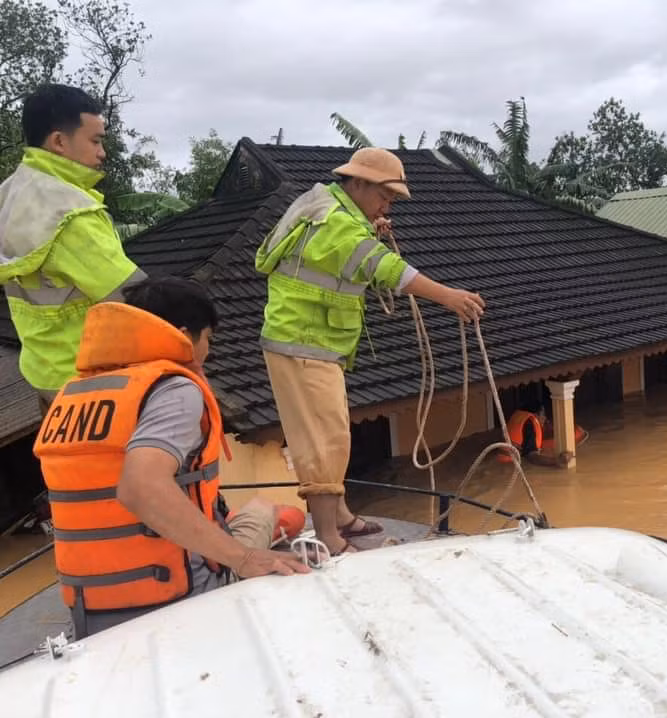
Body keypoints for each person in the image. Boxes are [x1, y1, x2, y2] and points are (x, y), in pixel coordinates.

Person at [33, 276, 309, 638]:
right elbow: (141, 487)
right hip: (177, 596)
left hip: (90, 607)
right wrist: (244, 560)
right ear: (183, 335)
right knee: (271, 512)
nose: (208, 350)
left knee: (251, 513)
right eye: (207, 338)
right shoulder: (172, 389)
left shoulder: (75, 393)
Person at [255, 147, 486, 556]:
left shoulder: (327, 208)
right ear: (357, 183)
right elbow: (387, 269)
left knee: (334, 431)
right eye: (385, 195)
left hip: (312, 341)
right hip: (302, 341)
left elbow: (352, 257)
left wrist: (368, 227)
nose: (387, 204)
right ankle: (328, 537)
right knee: (324, 440)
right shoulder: (340, 226)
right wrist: (448, 296)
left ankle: (340, 516)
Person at [0, 84, 145, 414]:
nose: (102, 153)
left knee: (65, 466)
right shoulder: (70, 214)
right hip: (93, 383)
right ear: (60, 142)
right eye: (95, 140)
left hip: (46, 375)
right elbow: (135, 297)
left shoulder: (11, 196)